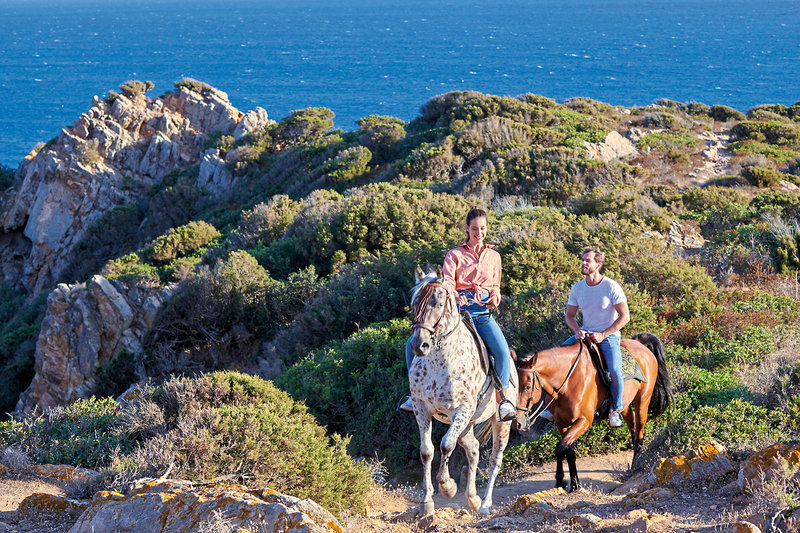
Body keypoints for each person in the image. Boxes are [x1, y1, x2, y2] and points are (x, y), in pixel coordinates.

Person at [400, 206, 516, 422]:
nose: (478, 233)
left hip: (482, 311)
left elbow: (496, 286)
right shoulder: (454, 255)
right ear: (467, 229)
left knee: (501, 350)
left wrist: (495, 297)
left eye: (482, 228)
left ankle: (504, 401)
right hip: (459, 311)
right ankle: (412, 395)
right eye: (474, 229)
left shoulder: (494, 256)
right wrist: (456, 296)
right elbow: (448, 283)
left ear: (486, 229)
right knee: (410, 344)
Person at [563, 245, 630, 428]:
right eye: (583, 259)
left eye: (588, 260)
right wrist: (577, 330)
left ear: (598, 264)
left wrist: (603, 334)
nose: (584, 263)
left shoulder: (611, 286)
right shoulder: (578, 288)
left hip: (608, 337)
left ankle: (616, 410)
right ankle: (551, 405)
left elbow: (625, 317)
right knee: (559, 356)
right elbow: (569, 316)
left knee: (615, 371)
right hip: (584, 334)